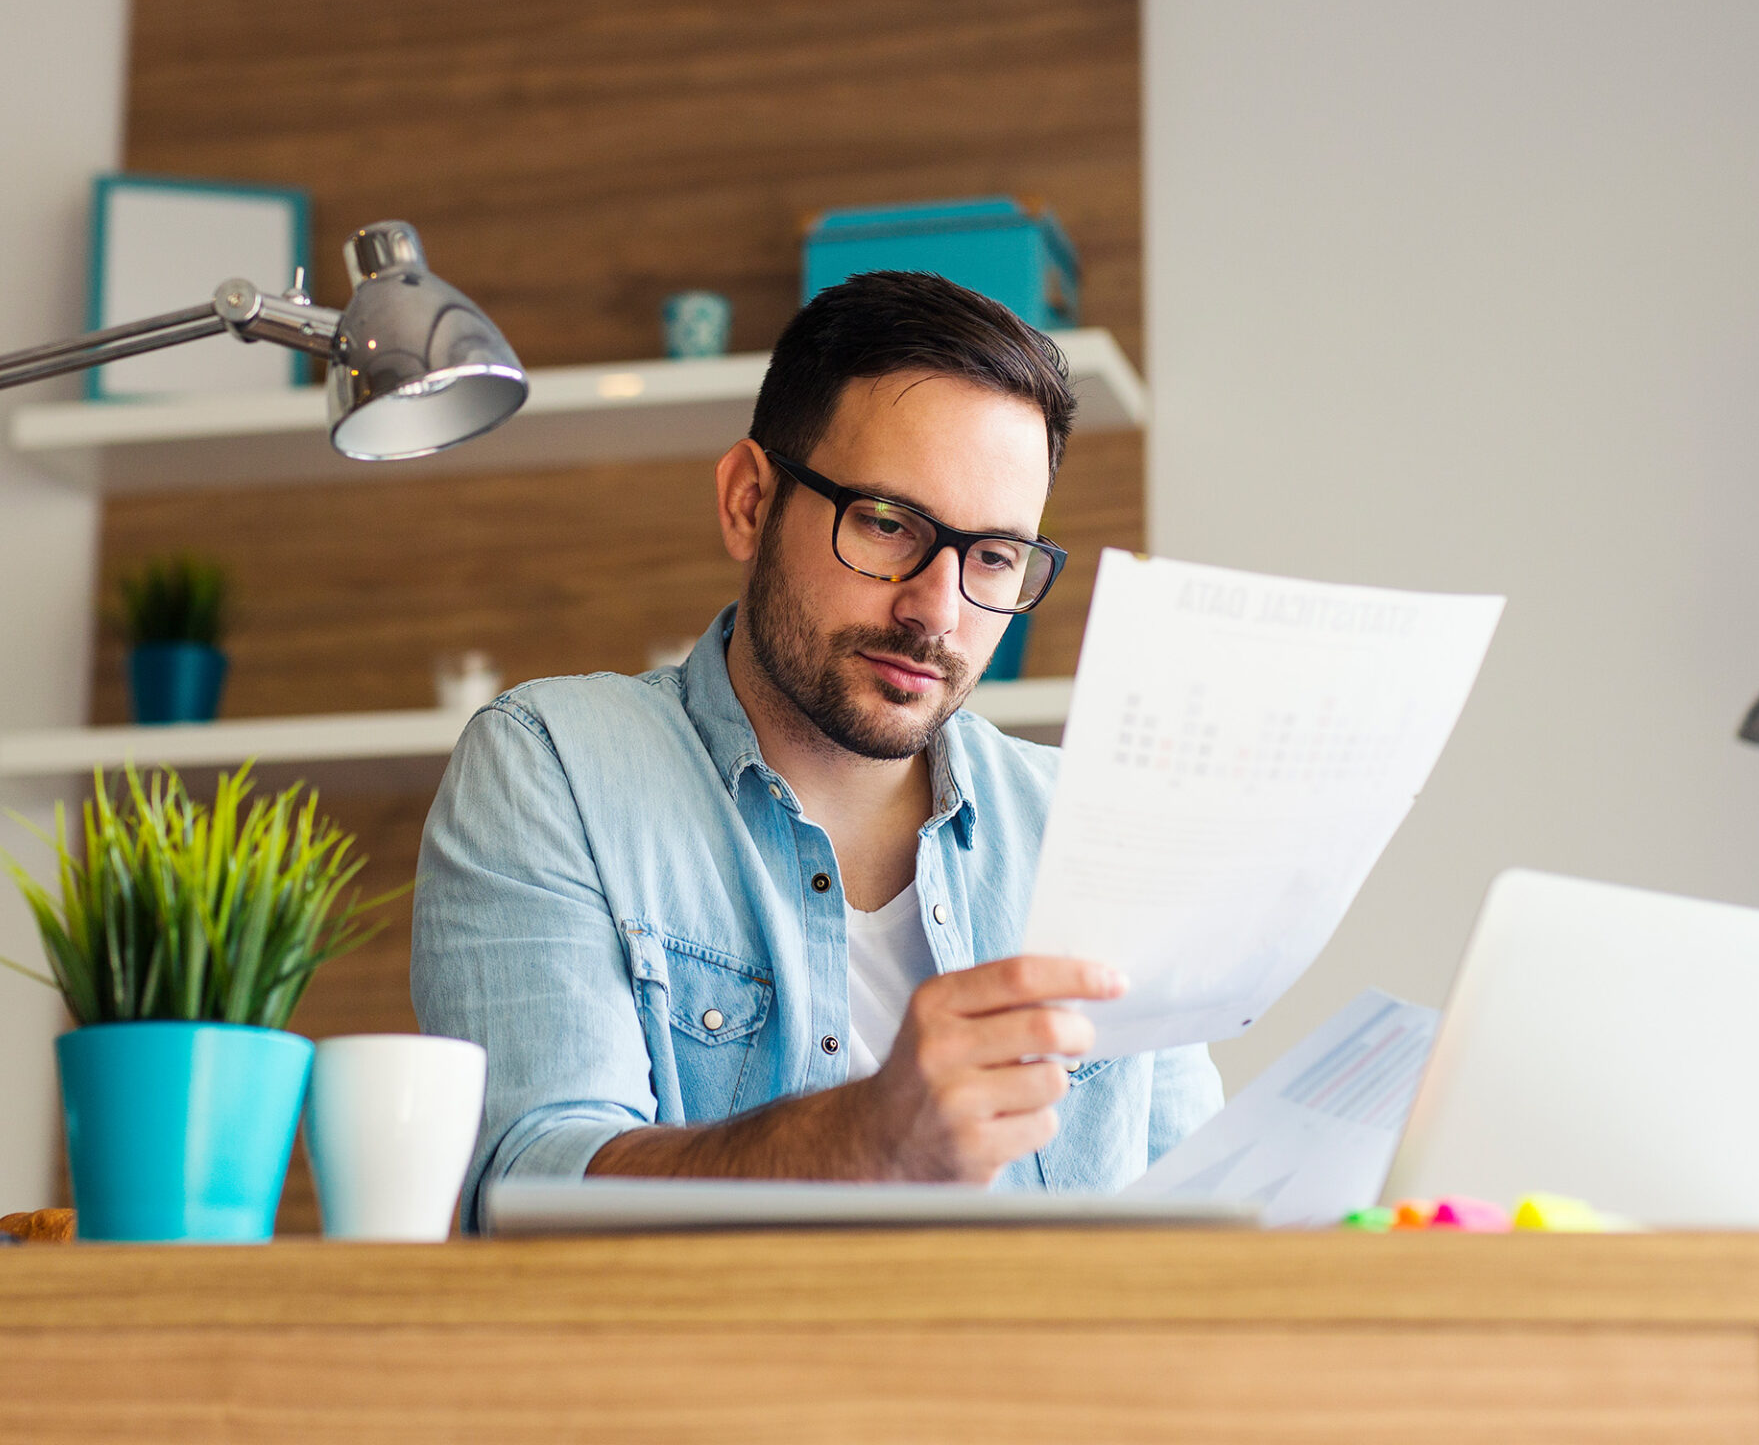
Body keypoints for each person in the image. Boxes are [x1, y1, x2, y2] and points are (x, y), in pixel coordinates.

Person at [412, 271, 1219, 1231]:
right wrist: (861, 1143)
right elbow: (525, 1193)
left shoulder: (1094, 829)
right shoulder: (553, 767)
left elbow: (1194, 1213)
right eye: (887, 525)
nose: (937, 610)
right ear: (749, 502)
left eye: (995, 557)